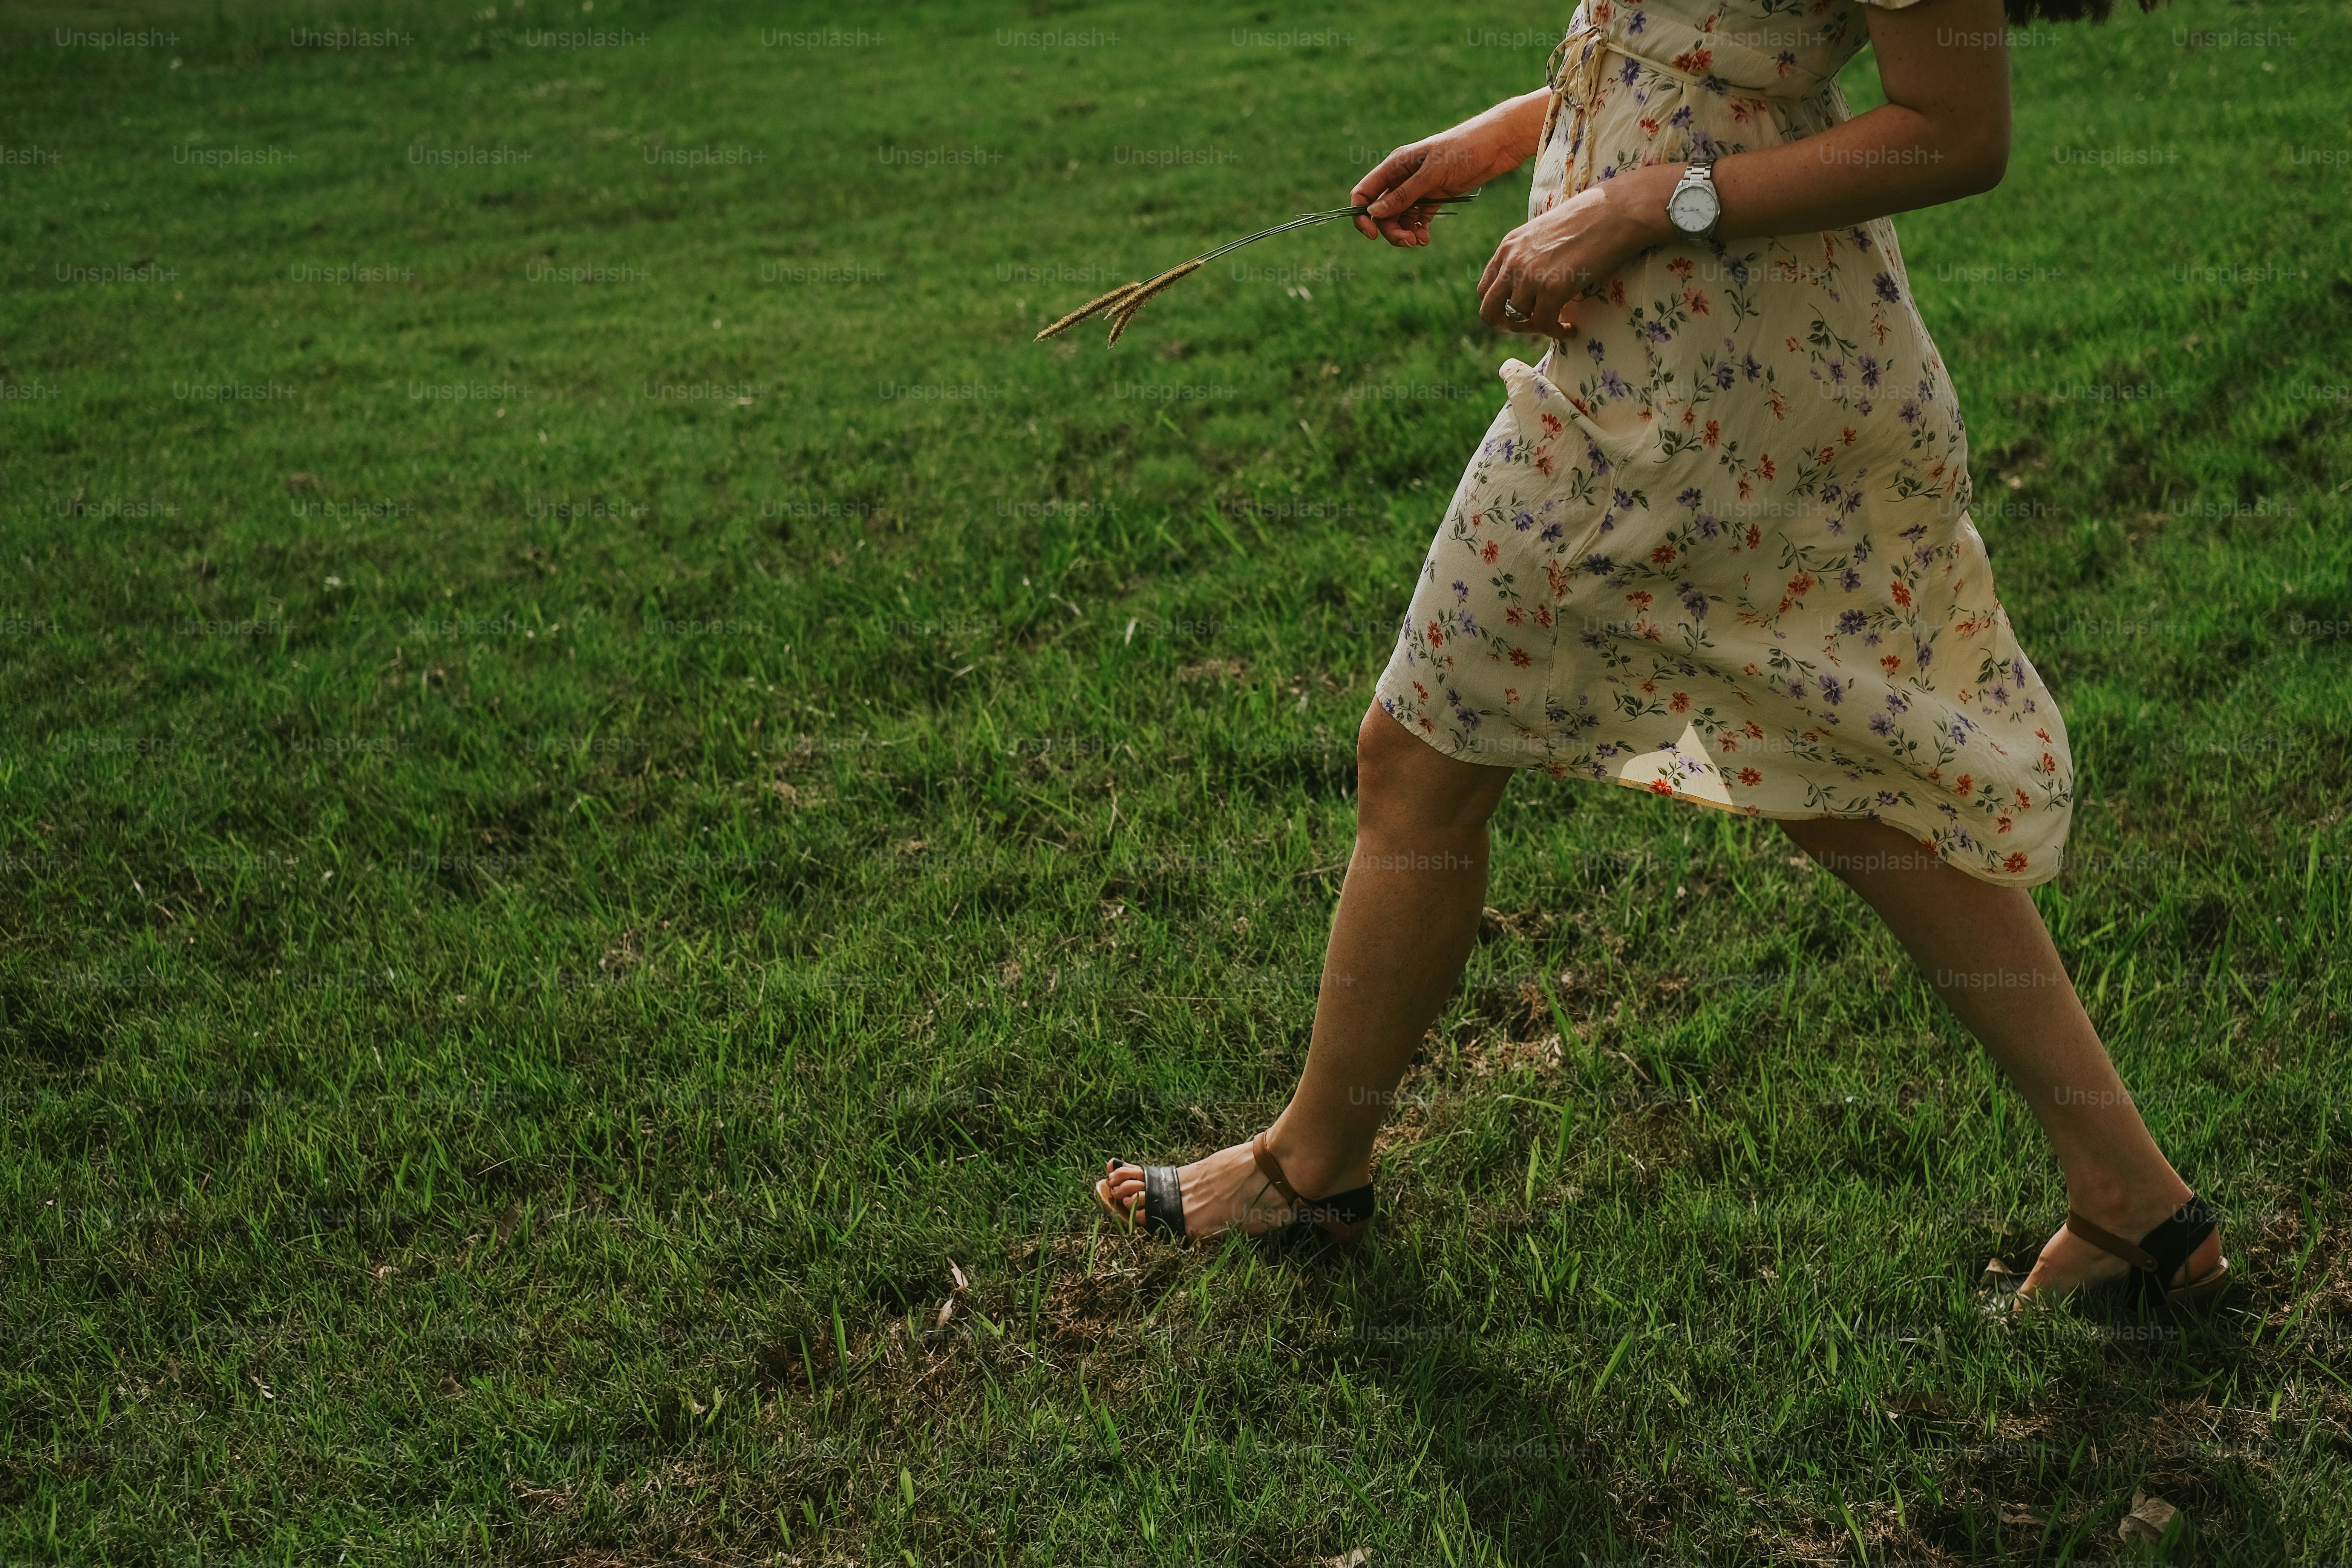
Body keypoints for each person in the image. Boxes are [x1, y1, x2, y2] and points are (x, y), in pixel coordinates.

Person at [1099, 0, 2226, 1309]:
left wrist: (1647, 208)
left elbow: (1958, 133)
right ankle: (2140, 1205)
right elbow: (1703, 51)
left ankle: (1311, 1169)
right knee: (1826, 764)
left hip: (1700, 383)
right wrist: (1500, 138)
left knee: (1420, 756)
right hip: (1681, 361)